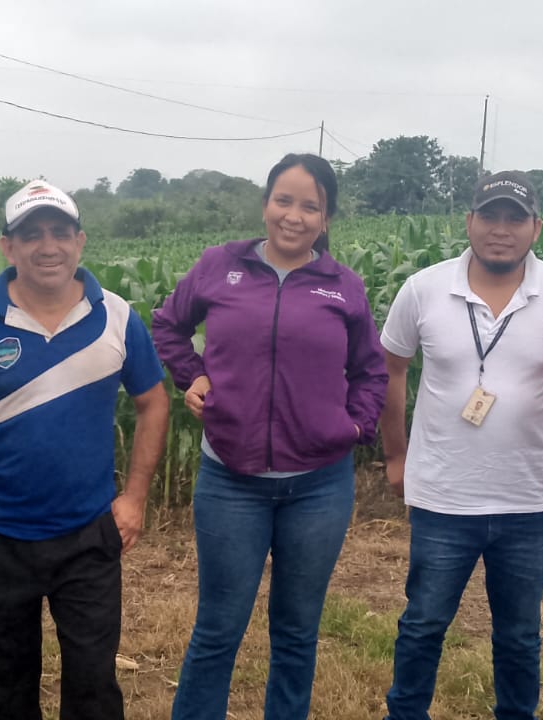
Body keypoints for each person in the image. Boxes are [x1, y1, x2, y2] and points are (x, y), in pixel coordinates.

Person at [0, 180, 169, 720]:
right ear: (7, 247)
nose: (47, 246)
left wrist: (134, 499)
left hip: (88, 534)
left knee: (94, 688)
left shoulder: (117, 316)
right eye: (31, 235)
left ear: (80, 242)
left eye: (60, 232)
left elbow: (153, 403)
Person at [152, 153, 388, 720]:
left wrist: (355, 425)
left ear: (326, 219)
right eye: (284, 200)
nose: (294, 216)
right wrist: (193, 376)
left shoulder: (344, 287)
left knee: (297, 630)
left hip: (319, 486)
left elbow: (371, 370)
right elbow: (168, 325)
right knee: (218, 628)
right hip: (230, 479)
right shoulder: (219, 266)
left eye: (310, 206)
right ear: (265, 205)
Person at [378, 171, 543, 720]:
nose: (501, 230)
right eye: (490, 216)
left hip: (528, 497)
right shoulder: (423, 289)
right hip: (442, 495)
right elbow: (391, 369)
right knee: (423, 623)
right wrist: (397, 456)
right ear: (469, 221)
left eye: (515, 219)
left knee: (520, 634)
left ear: (536, 228)